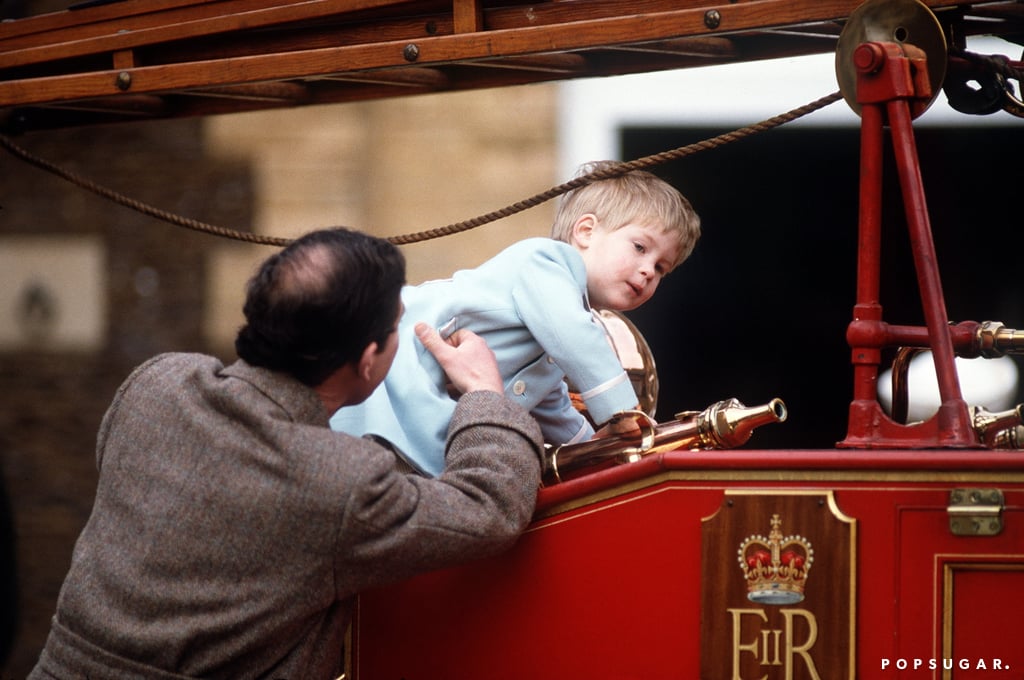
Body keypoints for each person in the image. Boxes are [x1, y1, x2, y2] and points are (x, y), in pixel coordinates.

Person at [28, 228, 544, 680]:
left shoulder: (155, 384)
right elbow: (486, 511)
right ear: (367, 361)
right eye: (396, 330)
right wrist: (484, 394)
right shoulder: (342, 482)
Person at [331, 161, 701, 476]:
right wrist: (621, 411)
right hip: (391, 384)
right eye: (639, 248)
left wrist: (592, 448)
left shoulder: (551, 339)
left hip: (410, 421)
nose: (648, 271)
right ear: (586, 231)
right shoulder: (546, 262)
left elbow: (551, 406)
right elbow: (575, 337)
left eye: (661, 267)